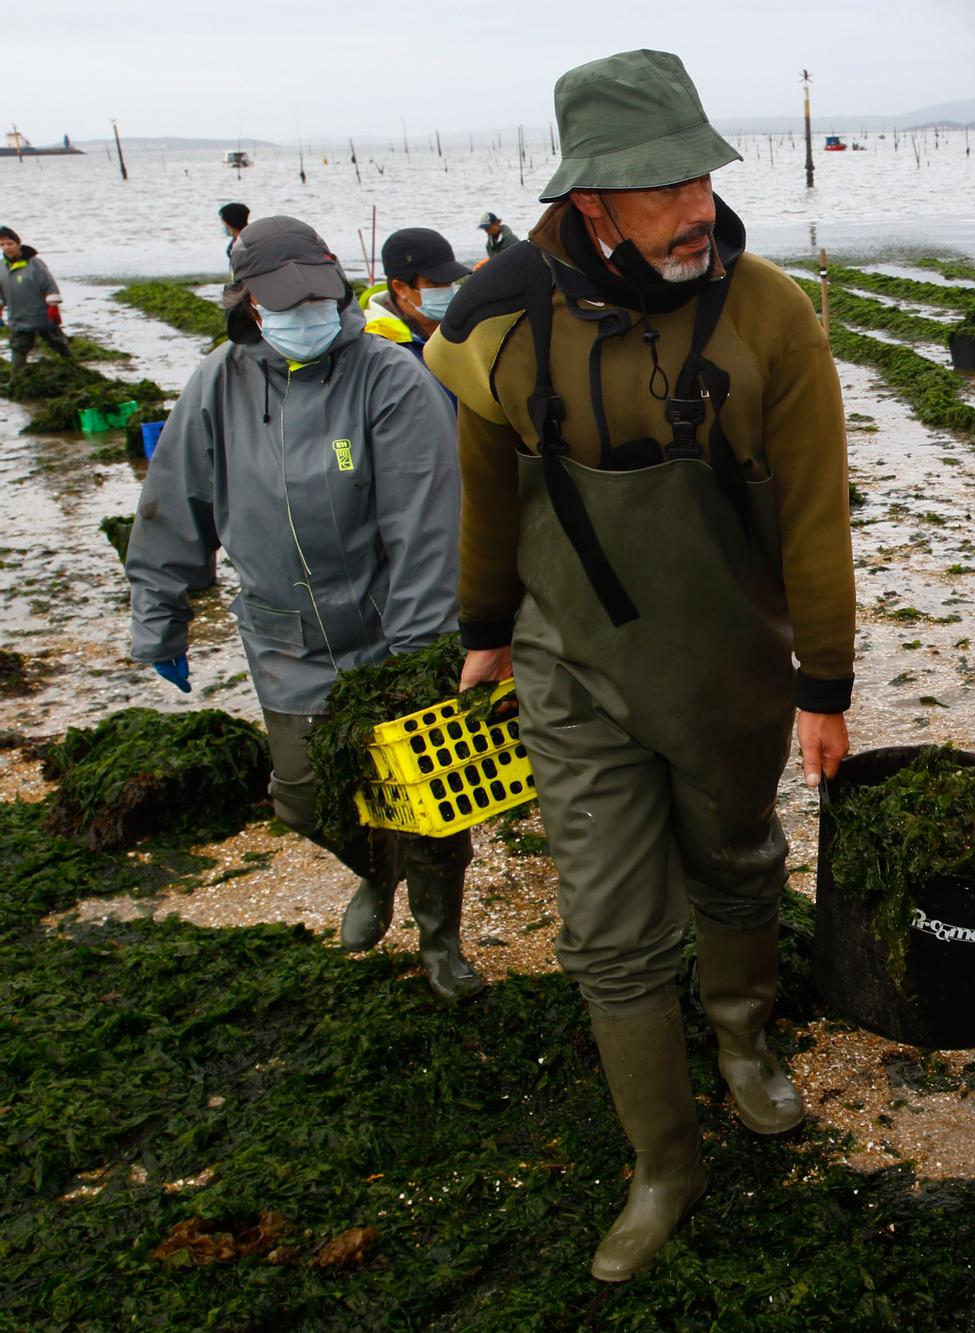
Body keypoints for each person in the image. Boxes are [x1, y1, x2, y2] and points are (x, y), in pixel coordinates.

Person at [426, 50, 855, 1282]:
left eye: (701, 178)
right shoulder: (499, 323)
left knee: (736, 864)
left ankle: (741, 1045)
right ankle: (661, 1159)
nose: (695, 210)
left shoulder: (769, 313)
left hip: (730, 663)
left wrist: (822, 684)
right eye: (660, 189)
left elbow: (816, 520)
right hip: (570, 668)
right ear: (590, 201)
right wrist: (482, 627)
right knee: (608, 930)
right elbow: (485, 491)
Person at [122, 217, 481, 1002]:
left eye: (320, 297)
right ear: (249, 305)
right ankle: (373, 871)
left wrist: (421, 659)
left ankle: (439, 931)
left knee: (430, 801)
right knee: (306, 796)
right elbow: (174, 500)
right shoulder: (218, 382)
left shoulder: (389, 379)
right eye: (287, 303)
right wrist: (160, 609)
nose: (308, 313)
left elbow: (426, 526)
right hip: (285, 639)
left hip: (391, 633)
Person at [358, 227, 472, 358]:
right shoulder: (377, 345)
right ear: (400, 288)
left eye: (451, 281)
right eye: (434, 283)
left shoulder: (462, 326)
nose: (447, 291)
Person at [0, 228, 70, 372]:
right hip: (18, 316)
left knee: (57, 343)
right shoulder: (2, 267)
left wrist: (53, 307)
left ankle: (73, 369)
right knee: (18, 348)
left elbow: (49, 285)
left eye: (10, 243)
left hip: (42, 314)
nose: (6, 247)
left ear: (18, 244)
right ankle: (16, 380)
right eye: (2, 245)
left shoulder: (35, 263)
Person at [220, 202, 250, 273]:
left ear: (230, 223)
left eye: (224, 223)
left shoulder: (244, 243)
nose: (224, 226)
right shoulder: (236, 240)